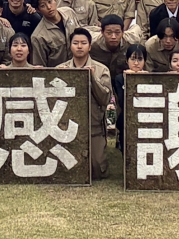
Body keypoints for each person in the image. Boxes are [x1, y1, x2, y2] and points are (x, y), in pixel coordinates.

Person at [56, 28, 113, 180]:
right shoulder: (61, 69)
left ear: (90, 46)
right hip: (66, 126)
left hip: (93, 125)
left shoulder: (101, 69)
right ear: (70, 46)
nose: (79, 46)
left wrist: (92, 78)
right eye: (76, 43)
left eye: (83, 43)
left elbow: (105, 99)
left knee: (97, 171)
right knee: (67, 170)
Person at [112, 43, 148, 151]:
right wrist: (129, 81)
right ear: (127, 61)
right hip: (126, 119)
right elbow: (123, 102)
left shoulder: (149, 77)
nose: (136, 63)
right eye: (132, 59)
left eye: (140, 59)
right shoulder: (119, 78)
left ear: (145, 61)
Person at [30, 0, 75, 67]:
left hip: (79, 67)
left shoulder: (69, 12)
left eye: (50, 2)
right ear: (38, 10)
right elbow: (39, 66)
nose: (49, 7)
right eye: (43, 5)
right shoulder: (38, 36)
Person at [90, 15, 130, 81]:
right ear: (102, 32)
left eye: (117, 33)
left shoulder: (130, 44)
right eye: (109, 33)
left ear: (123, 32)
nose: (113, 36)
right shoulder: (92, 46)